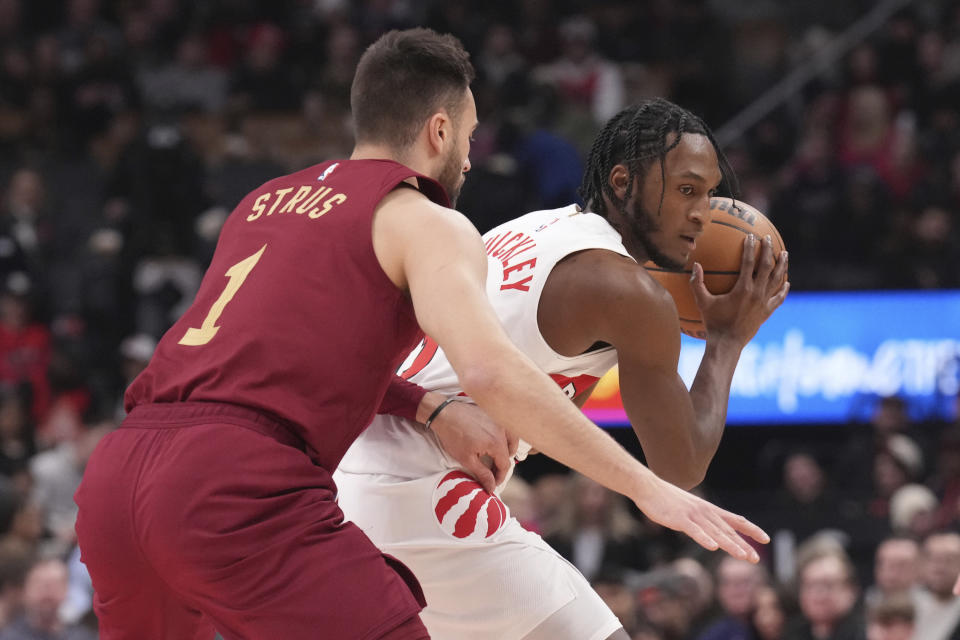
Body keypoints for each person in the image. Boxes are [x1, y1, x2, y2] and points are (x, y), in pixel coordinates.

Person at [73, 31, 768, 640]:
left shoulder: (265, 200)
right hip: (261, 481)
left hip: (122, 471)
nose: (468, 160)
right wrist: (647, 488)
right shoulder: (429, 220)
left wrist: (431, 405)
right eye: (466, 138)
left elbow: (267, 357)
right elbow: (494, 374)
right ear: (439, 132)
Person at [335, 97, 788, 640]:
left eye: (711, 193)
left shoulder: (533, 227)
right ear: (622, 183)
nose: (703, 211)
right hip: (418, 486)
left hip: (350, 474)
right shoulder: (627, 292)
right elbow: (681, 465)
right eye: (688, 190)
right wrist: (727, 338)